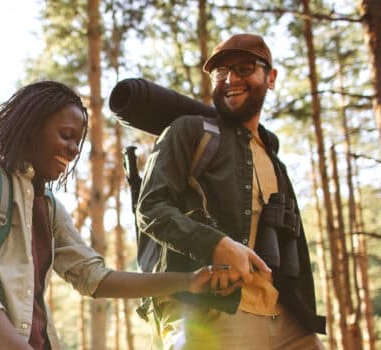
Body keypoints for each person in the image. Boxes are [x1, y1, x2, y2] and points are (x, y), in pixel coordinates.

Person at [0, 80, 222, 350]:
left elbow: (93, 277)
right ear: (31, 128)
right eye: (66, 136)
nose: (72, 150)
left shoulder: (48, 206)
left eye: (77, 143)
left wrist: (188, 281)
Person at [135, 33, 326, 349]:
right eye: (220, 72)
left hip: (285, 317)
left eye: (244, 68)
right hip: (210, 311)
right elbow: (151, 207)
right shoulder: (189, 131)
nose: (230, 79)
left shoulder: (276, 161)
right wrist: (215, 244)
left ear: (271, 77)